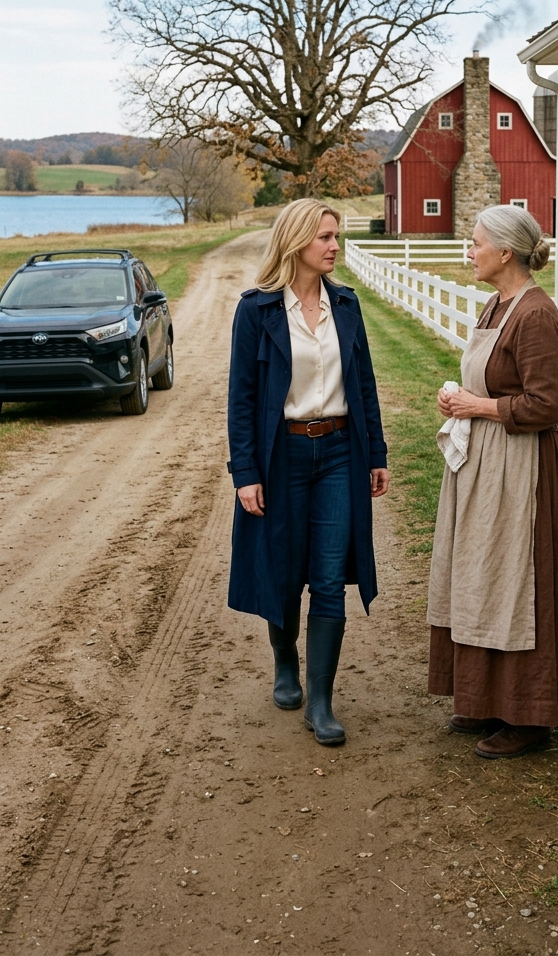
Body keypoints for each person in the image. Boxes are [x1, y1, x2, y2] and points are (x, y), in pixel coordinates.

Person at [427, 204, 558, 759]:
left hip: (523, 471)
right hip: (487, 465)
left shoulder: (537, 315)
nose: (468, 251)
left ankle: (529, 714)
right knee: (483, 577)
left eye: (475, 243)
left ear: (505, 252)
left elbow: (547, 406)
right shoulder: (497, 305)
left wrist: (478, 405)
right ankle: (486, 699)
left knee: (518, 583)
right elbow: (491, 382)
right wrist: (460, 401)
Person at [227, 199, 389, 746]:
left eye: (335, 236)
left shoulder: (347, 304)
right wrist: (245, 472)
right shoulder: (258, 311)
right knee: (282, 569)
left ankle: (321, 701)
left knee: (327, 576)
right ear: (297, 241)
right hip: (282, 458)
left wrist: (377, 454)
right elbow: (242, 401)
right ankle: (284, 664)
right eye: (325, 237)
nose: (334, 246)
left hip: (340, 452)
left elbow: (363, 385)